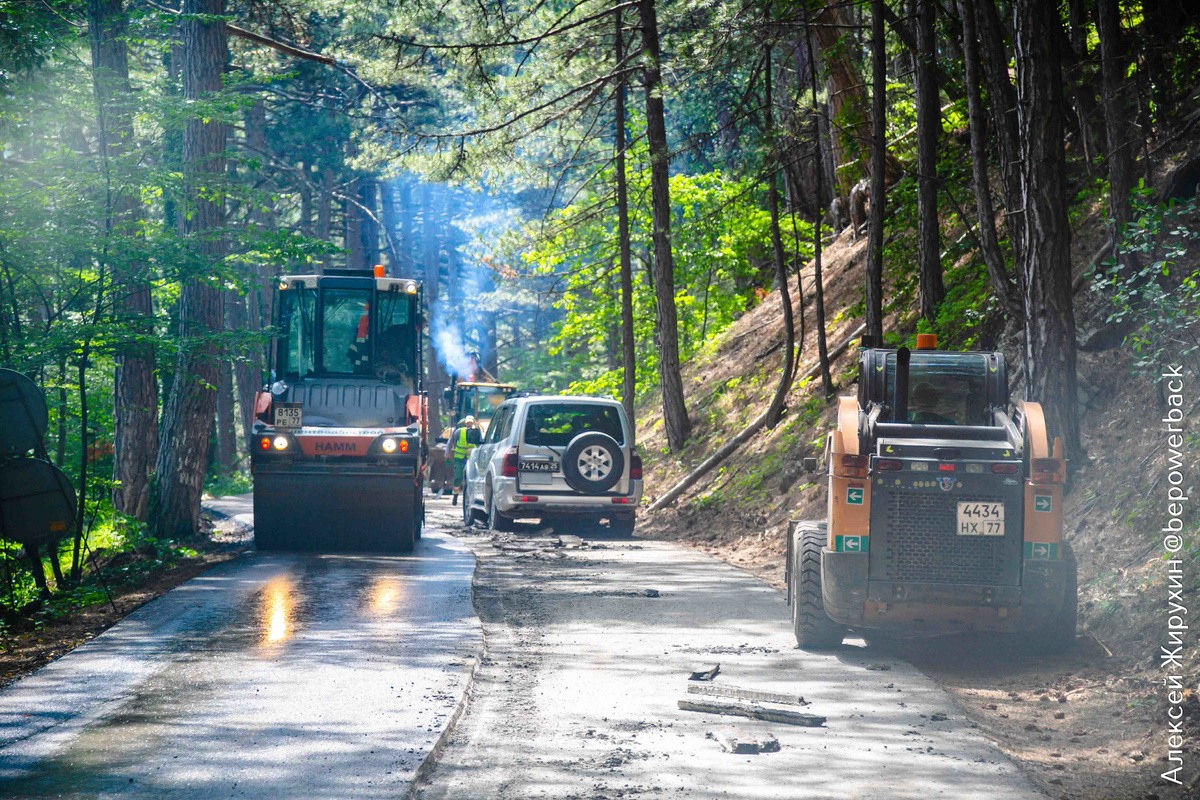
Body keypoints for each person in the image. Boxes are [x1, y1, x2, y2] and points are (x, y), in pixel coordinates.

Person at [449, 415, 482, 506]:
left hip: (471, 459)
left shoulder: (476, 432)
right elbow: (452, 441)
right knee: (458, 477)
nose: (469, 424)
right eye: (468, 422)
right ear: (465, 423)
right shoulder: (459, 432)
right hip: (460, 458)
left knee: (471, 478)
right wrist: (448, 452)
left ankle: (470, 498)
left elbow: (480, 444)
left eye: (471, 422)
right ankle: (455, 496)